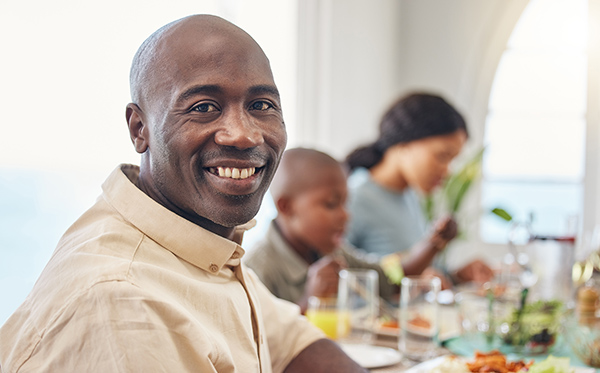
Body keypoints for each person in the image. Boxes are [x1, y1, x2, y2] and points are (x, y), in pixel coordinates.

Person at [0, 15, 366, 372]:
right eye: (204, 107)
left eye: (261, 105)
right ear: (139, 128)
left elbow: (291, 343)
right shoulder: (122, 302)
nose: (244, 134)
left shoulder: (198, 241)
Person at [344, 92, 493, 285]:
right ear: (404, 143)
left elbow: (416, 269)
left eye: (452, 160)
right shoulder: (355, 196)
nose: (448, 171)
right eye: (442, 156)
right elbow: (341, 276)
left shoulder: (409, 195)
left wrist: (456, 276)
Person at [244, 148, 398, 314]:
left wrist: (430, 245)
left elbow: (387, 283)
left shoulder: (330, 251)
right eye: (331, 204)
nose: (345, 215)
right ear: (286, 207)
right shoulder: (257, 269)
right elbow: (258, 334)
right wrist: (310, 300)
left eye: (345, 204)